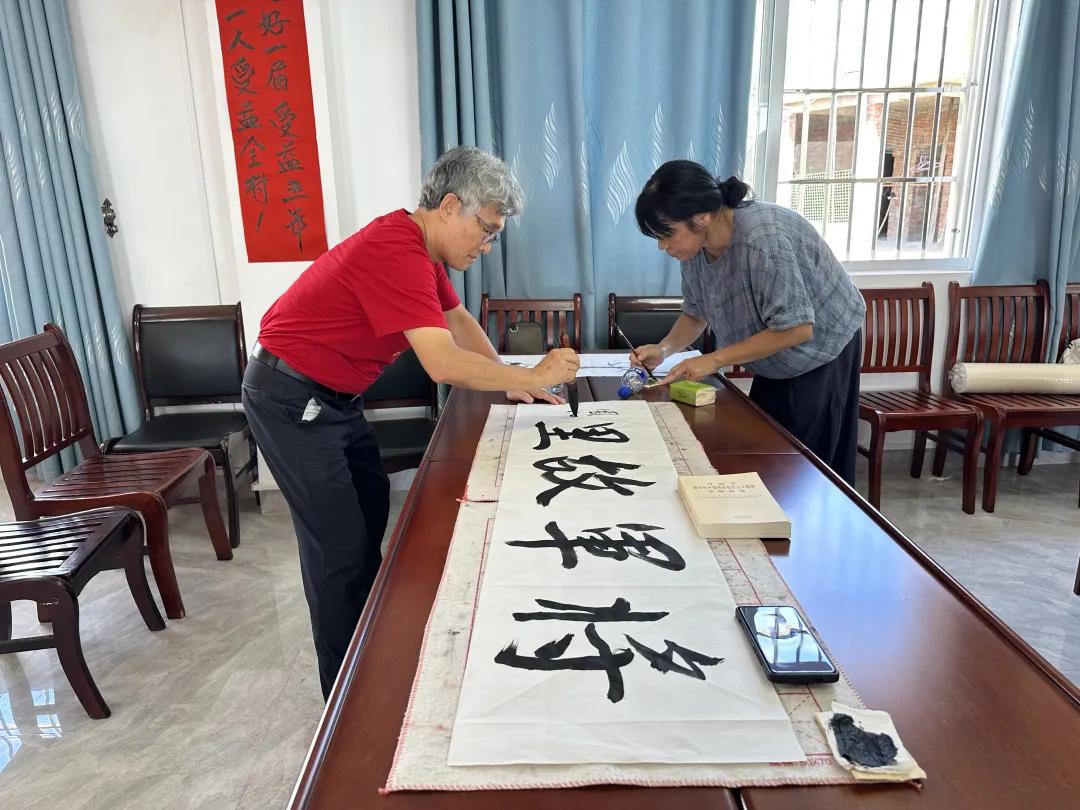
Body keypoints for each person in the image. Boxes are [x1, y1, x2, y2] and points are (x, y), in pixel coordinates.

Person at [242, 146, 579, 698]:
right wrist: (531, 370)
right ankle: (346, 701)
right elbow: (441, 363)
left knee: (371, 512)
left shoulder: (420, 251)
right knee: (338, 552)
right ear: (449, 207)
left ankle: (367, 649)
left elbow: (456, 319)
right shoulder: (395, 250)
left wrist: (511, 379)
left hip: (335, 397)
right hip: (292, 397)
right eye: (486, 230)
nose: (487, 246)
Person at [632, 160, 866, 483]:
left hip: (822, 349)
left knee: (806, 468)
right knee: (767, 445)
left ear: (701, 217)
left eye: (667, 234)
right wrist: (664, 349)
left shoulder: (762, 239)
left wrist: (714, 359)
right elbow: (696, 313)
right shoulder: (694, 250)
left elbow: (797, 328)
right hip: (773, 354)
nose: (663, 246)